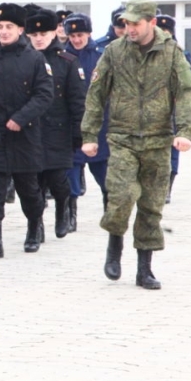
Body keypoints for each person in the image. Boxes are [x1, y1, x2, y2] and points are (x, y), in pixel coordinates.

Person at [81, 0, 191, 290]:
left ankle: (144, 269)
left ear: (151, 22)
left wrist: (186, 131)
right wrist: (89, 136)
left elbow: (184, 93)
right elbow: (96, 94)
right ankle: (114, 247)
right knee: (121, 196)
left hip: (158, 140)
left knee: (151, 205)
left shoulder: (171, 52)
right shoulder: (114, 51)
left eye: (135, 23)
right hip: (122, 138)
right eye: (126, 23)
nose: (129, 29)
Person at [0, 3, 54, 260]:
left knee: (28, 190)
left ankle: (34, 227)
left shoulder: (35, 59)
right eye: (0, 27)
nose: (4, 31)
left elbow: (44, 94)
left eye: (9, 26)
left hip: (24, 136)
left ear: (20, 29)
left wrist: (21, 118)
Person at [24, 9, 86, 242]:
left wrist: (78, 132)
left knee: (58, 179)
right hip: (30, 131)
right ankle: (35, 226)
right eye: (34, 35)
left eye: (44, 34)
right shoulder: (24, 60)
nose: (39, 39)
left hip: (58, 130)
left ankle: (63, 208)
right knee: (33, 185)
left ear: (54, 33)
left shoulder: (67, 61)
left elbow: (77, 100)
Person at [63, 13, 108, 232]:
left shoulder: (102, 56)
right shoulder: (62, 56)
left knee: (105, 174)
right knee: (70, 172)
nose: (76, 39)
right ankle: (70, 215)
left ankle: (110, 212)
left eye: (80, 35)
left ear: (89, 33)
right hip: (72, 124)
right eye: (72, 36)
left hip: (99, 124)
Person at [155, 13, 191, 203]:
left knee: (173, 150)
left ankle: (167, 186)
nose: (163, 35)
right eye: (160, 31)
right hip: (151, 112)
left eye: (166, 31)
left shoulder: (182, 55)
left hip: (173, 112)